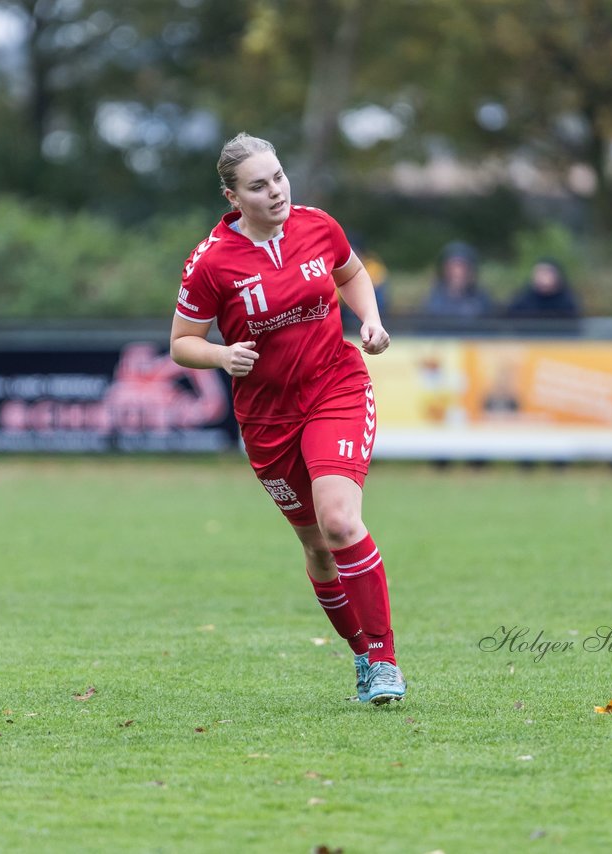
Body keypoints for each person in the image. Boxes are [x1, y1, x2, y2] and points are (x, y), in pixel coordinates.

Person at [170, 132, 405, 704]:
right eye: (258, 185)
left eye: (278, 177)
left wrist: (370, 320)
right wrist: (223, 355)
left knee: (341, 522)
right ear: (233, 198)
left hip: (335, 387)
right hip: (268, 417)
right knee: (319, 548)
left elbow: (350, 274)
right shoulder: (211, 263)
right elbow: (181, 344)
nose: (275, 191)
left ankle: (384, 659)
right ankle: (362, 657)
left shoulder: (319, 225)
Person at [422, 241, 496, 319]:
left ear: (471, 271)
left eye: (463, 268)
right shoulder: (433, 300)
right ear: (444, 270)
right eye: (453, 268)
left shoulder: (482, 300)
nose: (458, 273)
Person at [504, 258, 582, 320]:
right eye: (539, 273)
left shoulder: (567, 301)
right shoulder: (523, 299)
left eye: (546, 273)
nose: (542, 277)